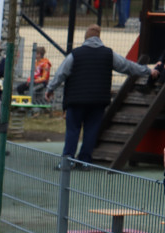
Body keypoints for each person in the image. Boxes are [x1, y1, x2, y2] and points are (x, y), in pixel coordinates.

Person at [45, 24, 159, 167]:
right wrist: (148, 71)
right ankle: (85, 161)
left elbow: (61, 74)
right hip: (98, 101)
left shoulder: (75, 54)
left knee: (73, 130)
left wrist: (50, 89)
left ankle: (68, 160)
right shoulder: (108, 54)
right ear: (99, 38)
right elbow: (128, 66)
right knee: (91, 131)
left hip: (76, 100)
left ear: (85, 38)